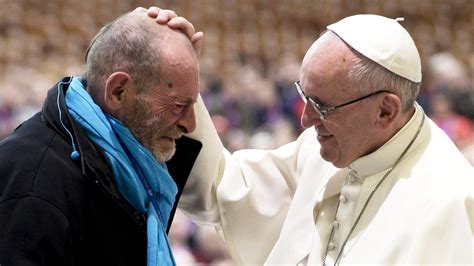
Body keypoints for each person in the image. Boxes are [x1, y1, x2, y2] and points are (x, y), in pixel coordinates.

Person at [154, 13, 474, 265]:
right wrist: (181, 80)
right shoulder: (325, 146)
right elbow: (221, 190)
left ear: (385, 110)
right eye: (303, 95)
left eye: (321, 105)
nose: (306, 119)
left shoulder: (450, 204)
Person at [0, 8, 203, 266]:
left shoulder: (129, 161)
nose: (190, 123)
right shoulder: (32, 188)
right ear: (118, 92)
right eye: (178, 106)